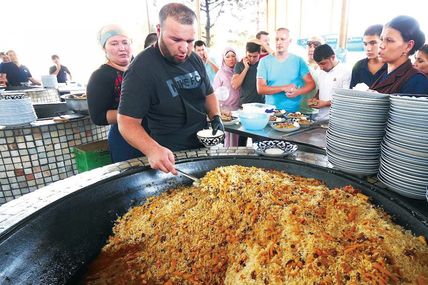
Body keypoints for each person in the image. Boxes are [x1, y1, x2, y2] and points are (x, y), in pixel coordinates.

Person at [117, 2, 224, 174]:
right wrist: (152, 149)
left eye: (190, 41)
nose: (184, 48)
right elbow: (126, 123)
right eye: (176, 39)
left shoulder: (194, 58)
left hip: (202, 145)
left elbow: (209, 93)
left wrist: (216, 117)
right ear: (159, 31)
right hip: (169, 154)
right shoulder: (141, 69)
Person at [87, 24, 142, 163]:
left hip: (155, 132)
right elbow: (98, 117)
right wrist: (136, 113)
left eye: (125, 42)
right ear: (104, 48)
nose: (122, 48)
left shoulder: (143, 68)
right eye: (114, 43)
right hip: (125, 139)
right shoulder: (100, 76)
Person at [257, 28, 315, 112]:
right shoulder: (264, 61)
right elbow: (261, 89)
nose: (279, 42)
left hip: (294, 112)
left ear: (290, 41)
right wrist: (283, 88)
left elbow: (311, 84)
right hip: (271, 112)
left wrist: (298, 92)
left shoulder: (298, 61)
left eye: (282, 39)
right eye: (277, 39)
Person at [371, 15, 428, 95]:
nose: (381, 45)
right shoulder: (382, 73)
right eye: (381, 39)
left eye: (389, 40)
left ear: (408, 46)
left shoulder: (417, 80)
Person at [308, 44, 351, 121]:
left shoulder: (346, 71)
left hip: (337, 120)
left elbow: (345, 99)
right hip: (320, 118)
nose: (321, 68)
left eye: (323, 63)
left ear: (333, 57)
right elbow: (322, 89)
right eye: (318, 64)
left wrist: (325, 103)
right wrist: (315, 98)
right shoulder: (321, 71)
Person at [213, 47, 239, 147]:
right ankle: (229, 158)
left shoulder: (239, 72)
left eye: (233, 56)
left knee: (239, 136)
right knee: (228, 136)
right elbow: (215, 94)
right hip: (226, 111)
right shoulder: (220, 73)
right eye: (227, 56)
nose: (231, 59)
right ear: (223, 59)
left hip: (238, 109)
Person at [350, 24, 387, 89]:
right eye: (365, 44)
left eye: (373, 43)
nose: (368, 48)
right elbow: (352, 92)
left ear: (383, 42)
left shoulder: (391, 67)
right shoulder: (358, 66)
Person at [300, 36, 324, 116]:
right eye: (309, 46)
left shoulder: (326, 68)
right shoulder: (300, 65)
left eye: (315, 46)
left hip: (319, 113)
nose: (312, 49)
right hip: (298, 112)